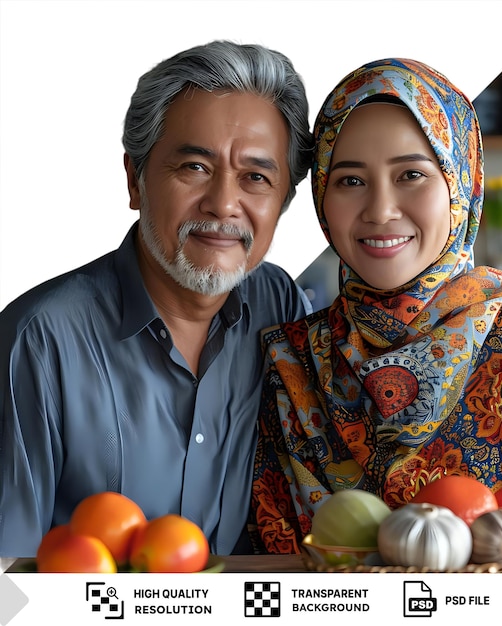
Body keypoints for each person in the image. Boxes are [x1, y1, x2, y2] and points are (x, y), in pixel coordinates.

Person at [0, 39, 314, 558]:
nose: (223, 204)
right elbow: (8, 583)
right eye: (194, 167)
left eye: (256, 177)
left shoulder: (280, 307)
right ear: (135, 180)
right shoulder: (38, 340)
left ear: (283, 202)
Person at [249, 58, 502, 554]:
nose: (380, 210)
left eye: (412, 175)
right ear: (320, 196)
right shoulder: (288, 363)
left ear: (460, 186)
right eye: (350, 180)